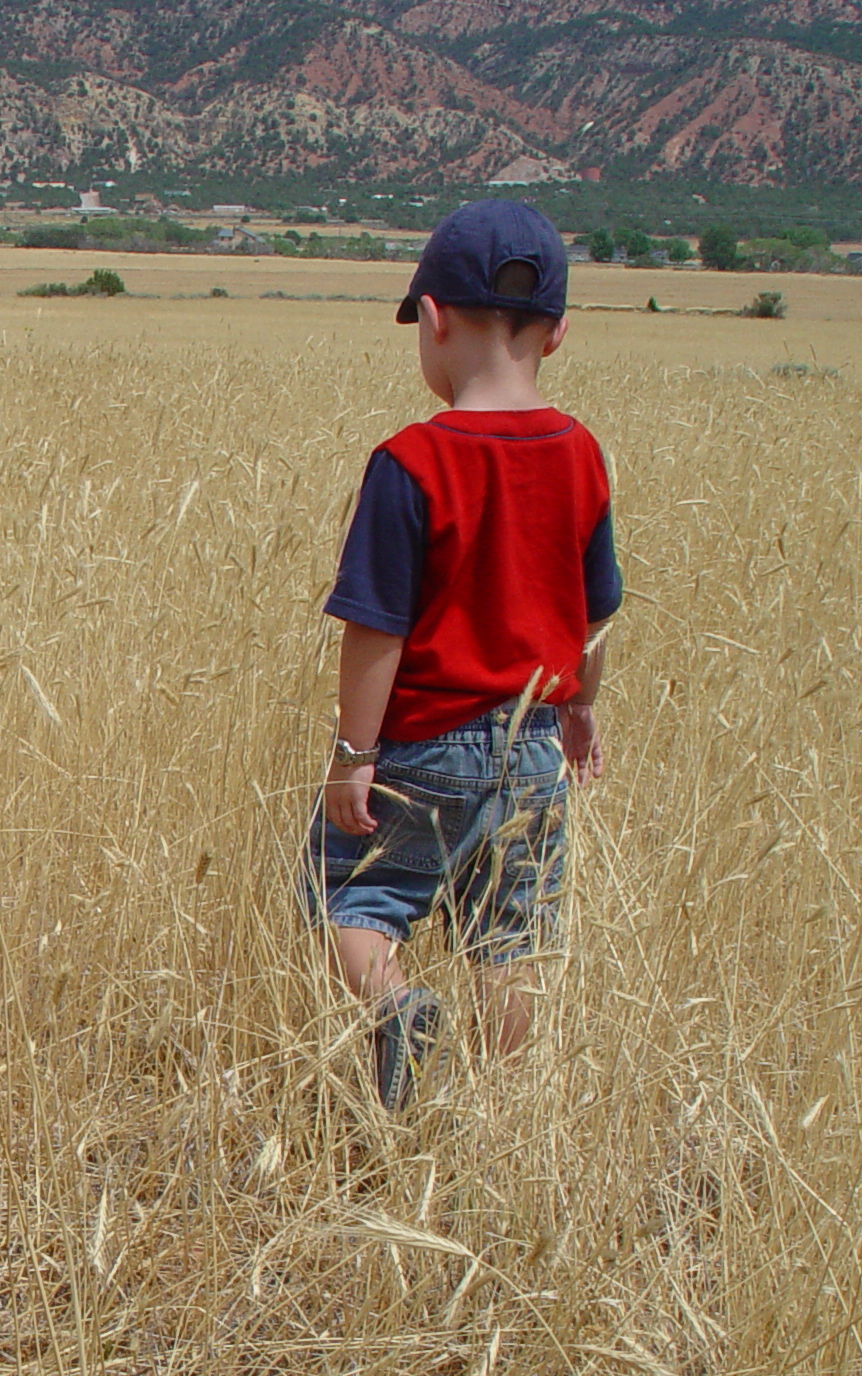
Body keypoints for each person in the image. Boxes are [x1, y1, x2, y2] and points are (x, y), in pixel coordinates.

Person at [307, 198, 624, 1108]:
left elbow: (378, 627)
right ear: (556, 334)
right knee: (513, 935)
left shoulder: (411, 463)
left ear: (434, 319)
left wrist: (356, 753)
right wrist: (577, 707)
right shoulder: (582, 456)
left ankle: (398, 1008)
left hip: (426, 745)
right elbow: (596, 614)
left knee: (346, 902)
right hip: (533, 751)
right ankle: (490, 1110)